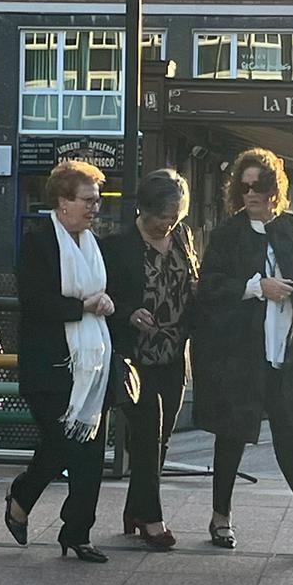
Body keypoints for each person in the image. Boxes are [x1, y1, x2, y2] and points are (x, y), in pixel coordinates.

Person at [191, 147, 293, 555]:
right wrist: (254, 287)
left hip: (287, 348)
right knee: (231, 435)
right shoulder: (228, 234)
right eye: (244, 187)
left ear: (274, 189)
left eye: (259, 186)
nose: (251, 194)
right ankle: (220, 516)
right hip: (241, 352)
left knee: (292, 435)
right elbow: (209, 287)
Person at [4, 160, 126, 563]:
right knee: (59, 446)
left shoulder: (95, 244)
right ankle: (22, 495)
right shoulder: (38, 242)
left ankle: (77, 533)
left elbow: (105, 295)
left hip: (92, 364)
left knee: (89, 454)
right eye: (88, 201)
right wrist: (83, 306)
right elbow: (35, 303)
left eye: (97, 201)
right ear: (62, 202)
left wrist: (107, 302)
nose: (96, 208)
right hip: (50, 366)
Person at [103, 169, 199, 550]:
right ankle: (152, 520)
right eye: (162, 216)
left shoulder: (183, 238)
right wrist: (128, 313)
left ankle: (134, 507)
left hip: (174, 351)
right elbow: (105, 296)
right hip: (136, 356)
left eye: (174, 217)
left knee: (161, 440)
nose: (167, 224)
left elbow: (191, 280)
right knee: (144, 435)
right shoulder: (118, 247)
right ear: (144, 209)